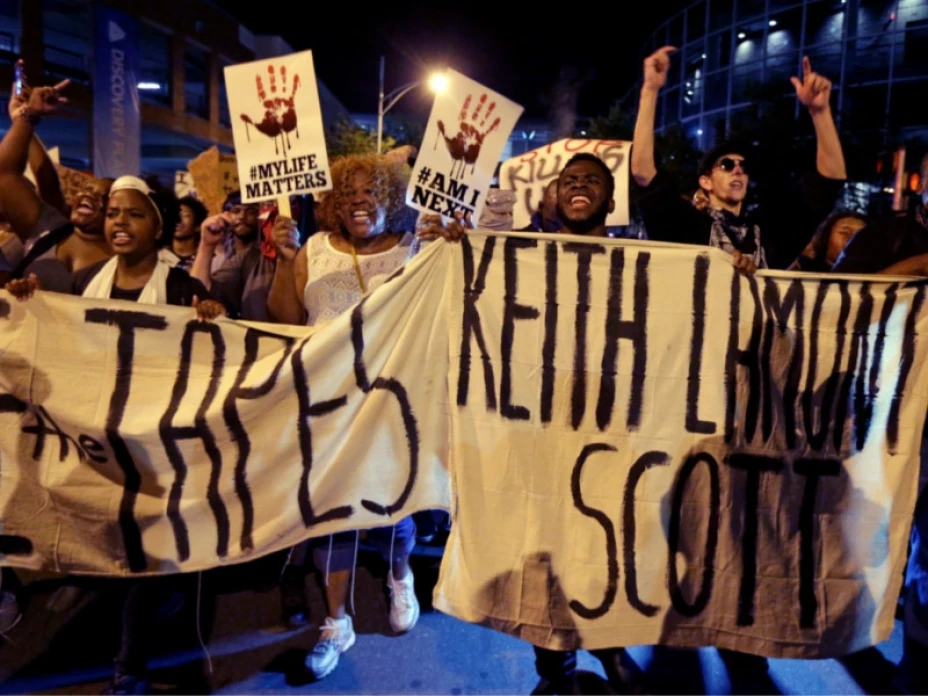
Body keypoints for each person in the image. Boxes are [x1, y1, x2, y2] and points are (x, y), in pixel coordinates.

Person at [6, 175, 224, 695]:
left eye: (134, 214)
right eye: (113, 213)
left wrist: (213, 317)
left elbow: (210, 359)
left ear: (159, 228)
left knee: (142, 551)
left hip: (156, 444)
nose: (119, 222)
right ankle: (142, 605)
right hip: (100, 441)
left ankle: (131, 668)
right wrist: (25, 306)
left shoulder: (181, 288)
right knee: (115, 543)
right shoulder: (85, 285)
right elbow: (61, 347)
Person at [266, 153, 464, 681]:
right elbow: (284, 320)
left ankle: (399, 578)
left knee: (389, 502)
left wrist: (448, 245)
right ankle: (336, 620)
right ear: (331, 203)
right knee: (329, 515)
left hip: (389, 403)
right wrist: (285, 261)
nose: (359, 201)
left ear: (393, 198)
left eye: (371, 192)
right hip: (324, 406)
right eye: (348, 193)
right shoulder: (312, 250)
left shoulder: (415, 248)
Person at [529, 152, 642, 694]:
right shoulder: (525, 256)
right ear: (554, 195)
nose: (578, 187)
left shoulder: (644, 261)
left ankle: (610, 645)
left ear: (611, 200)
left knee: (606, 545)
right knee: (545, 548)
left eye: (591, 181)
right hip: (543, 428)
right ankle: (555, 668)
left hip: (611, 429)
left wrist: (728, 272)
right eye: (569, 181)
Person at [631, 48, 847, 273]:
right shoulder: (685, 224)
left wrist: (820, 112)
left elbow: (829, 181)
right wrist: (650, 90)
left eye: (744, 167)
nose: (738, 171)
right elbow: (643, 172)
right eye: (727, 165)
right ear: (706, 182)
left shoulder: (768, 229)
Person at [0, 77, 114, 292]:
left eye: (106, 197)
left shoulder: (126, 261)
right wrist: (27, 118)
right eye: (88, 189)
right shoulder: (48, 230)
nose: (90, 196)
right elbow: (6, 173)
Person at [189, 192, 273, 321]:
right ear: (225, 215)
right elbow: (198, 293)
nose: (242, 216)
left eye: (251, 211)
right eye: (236, 210)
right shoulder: (225, 260)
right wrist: (206, 245)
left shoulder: (267, 255)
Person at [789, 210, 868, 272]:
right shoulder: (804, 270)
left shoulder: (874, 274)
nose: (853, 239)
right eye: (844, 232)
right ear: (826, 238)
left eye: (859, 235)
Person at [159, 195, 208, 272]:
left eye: (185, 216)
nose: (178, 220)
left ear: (198, 226)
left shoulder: (206, 259)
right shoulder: (158, 257)